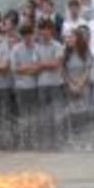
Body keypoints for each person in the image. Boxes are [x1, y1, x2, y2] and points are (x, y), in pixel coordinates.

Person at [36, 19, 66, 150]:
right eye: (41, 29)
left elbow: (57, 64)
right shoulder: (37, 46)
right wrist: (47, 64)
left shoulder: (58, 46)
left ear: (52, 30)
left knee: (57, 115)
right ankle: (46, 143)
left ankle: (58, 143)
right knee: (44, 116)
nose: (44, 32)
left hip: (56, 84)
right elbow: (35, 65)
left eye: (46, 29)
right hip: (42, 84)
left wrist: (43, 64)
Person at [10, 25, 41, 150]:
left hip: (34, 86)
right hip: (21, 87)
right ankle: (24, 141)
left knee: (34, 115)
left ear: (33, 34)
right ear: (22, 36)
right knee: (23, 115)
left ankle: (34, 141)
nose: (28, 37)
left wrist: (25, 68)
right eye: (25, 35)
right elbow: (14, 68)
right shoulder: (16, 49)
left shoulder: (37, 48)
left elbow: (39, 66)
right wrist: (30, 68)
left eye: (30, 34)